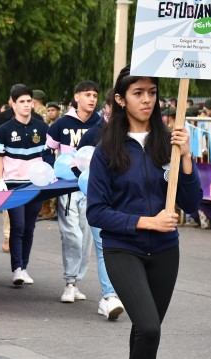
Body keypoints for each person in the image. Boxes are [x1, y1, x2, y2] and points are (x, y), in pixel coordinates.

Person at [86, 65, 202, 359]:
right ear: (121, 100)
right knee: (149, 326)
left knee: (145, 332)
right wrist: (144, 221)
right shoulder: (106, 150)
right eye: (138, 93)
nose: (147, 99)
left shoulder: (169, 143)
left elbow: (193, 204)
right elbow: (96, 212)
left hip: (166, 251)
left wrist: (185, 160)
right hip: (124, 249)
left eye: (152, 92)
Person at [47, 80, 101, 302]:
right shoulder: (61, 124)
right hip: (68, 187)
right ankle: (69, 282)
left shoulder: (102, 125)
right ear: (76, 97)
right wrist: (53, 173)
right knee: (72, 234)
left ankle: (76, 280)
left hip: (93, 187)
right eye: (87, 94)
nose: (91, 99)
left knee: (86, 236)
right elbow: (47, 152)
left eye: (95, 96)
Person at [0, 84, 50, 286]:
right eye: (22, 102)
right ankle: (16, 268)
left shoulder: (42, 127)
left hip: (35, 186)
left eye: (29, 101)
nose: (26, 105)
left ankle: (24, 267)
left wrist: (49, 174)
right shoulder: (4, 129)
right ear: (13, 104)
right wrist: (0, 180)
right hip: (13, 185)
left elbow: (48, 154)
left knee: (29, 227)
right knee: (17, 226)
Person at [76, 89, 125, 319]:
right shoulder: (93, 134)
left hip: (128, 200)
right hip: (100, 199)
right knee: (103, 245)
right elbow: (77, 164)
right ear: (108, 107)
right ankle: (109, 296)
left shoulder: (137, 133)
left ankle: (124, 291)